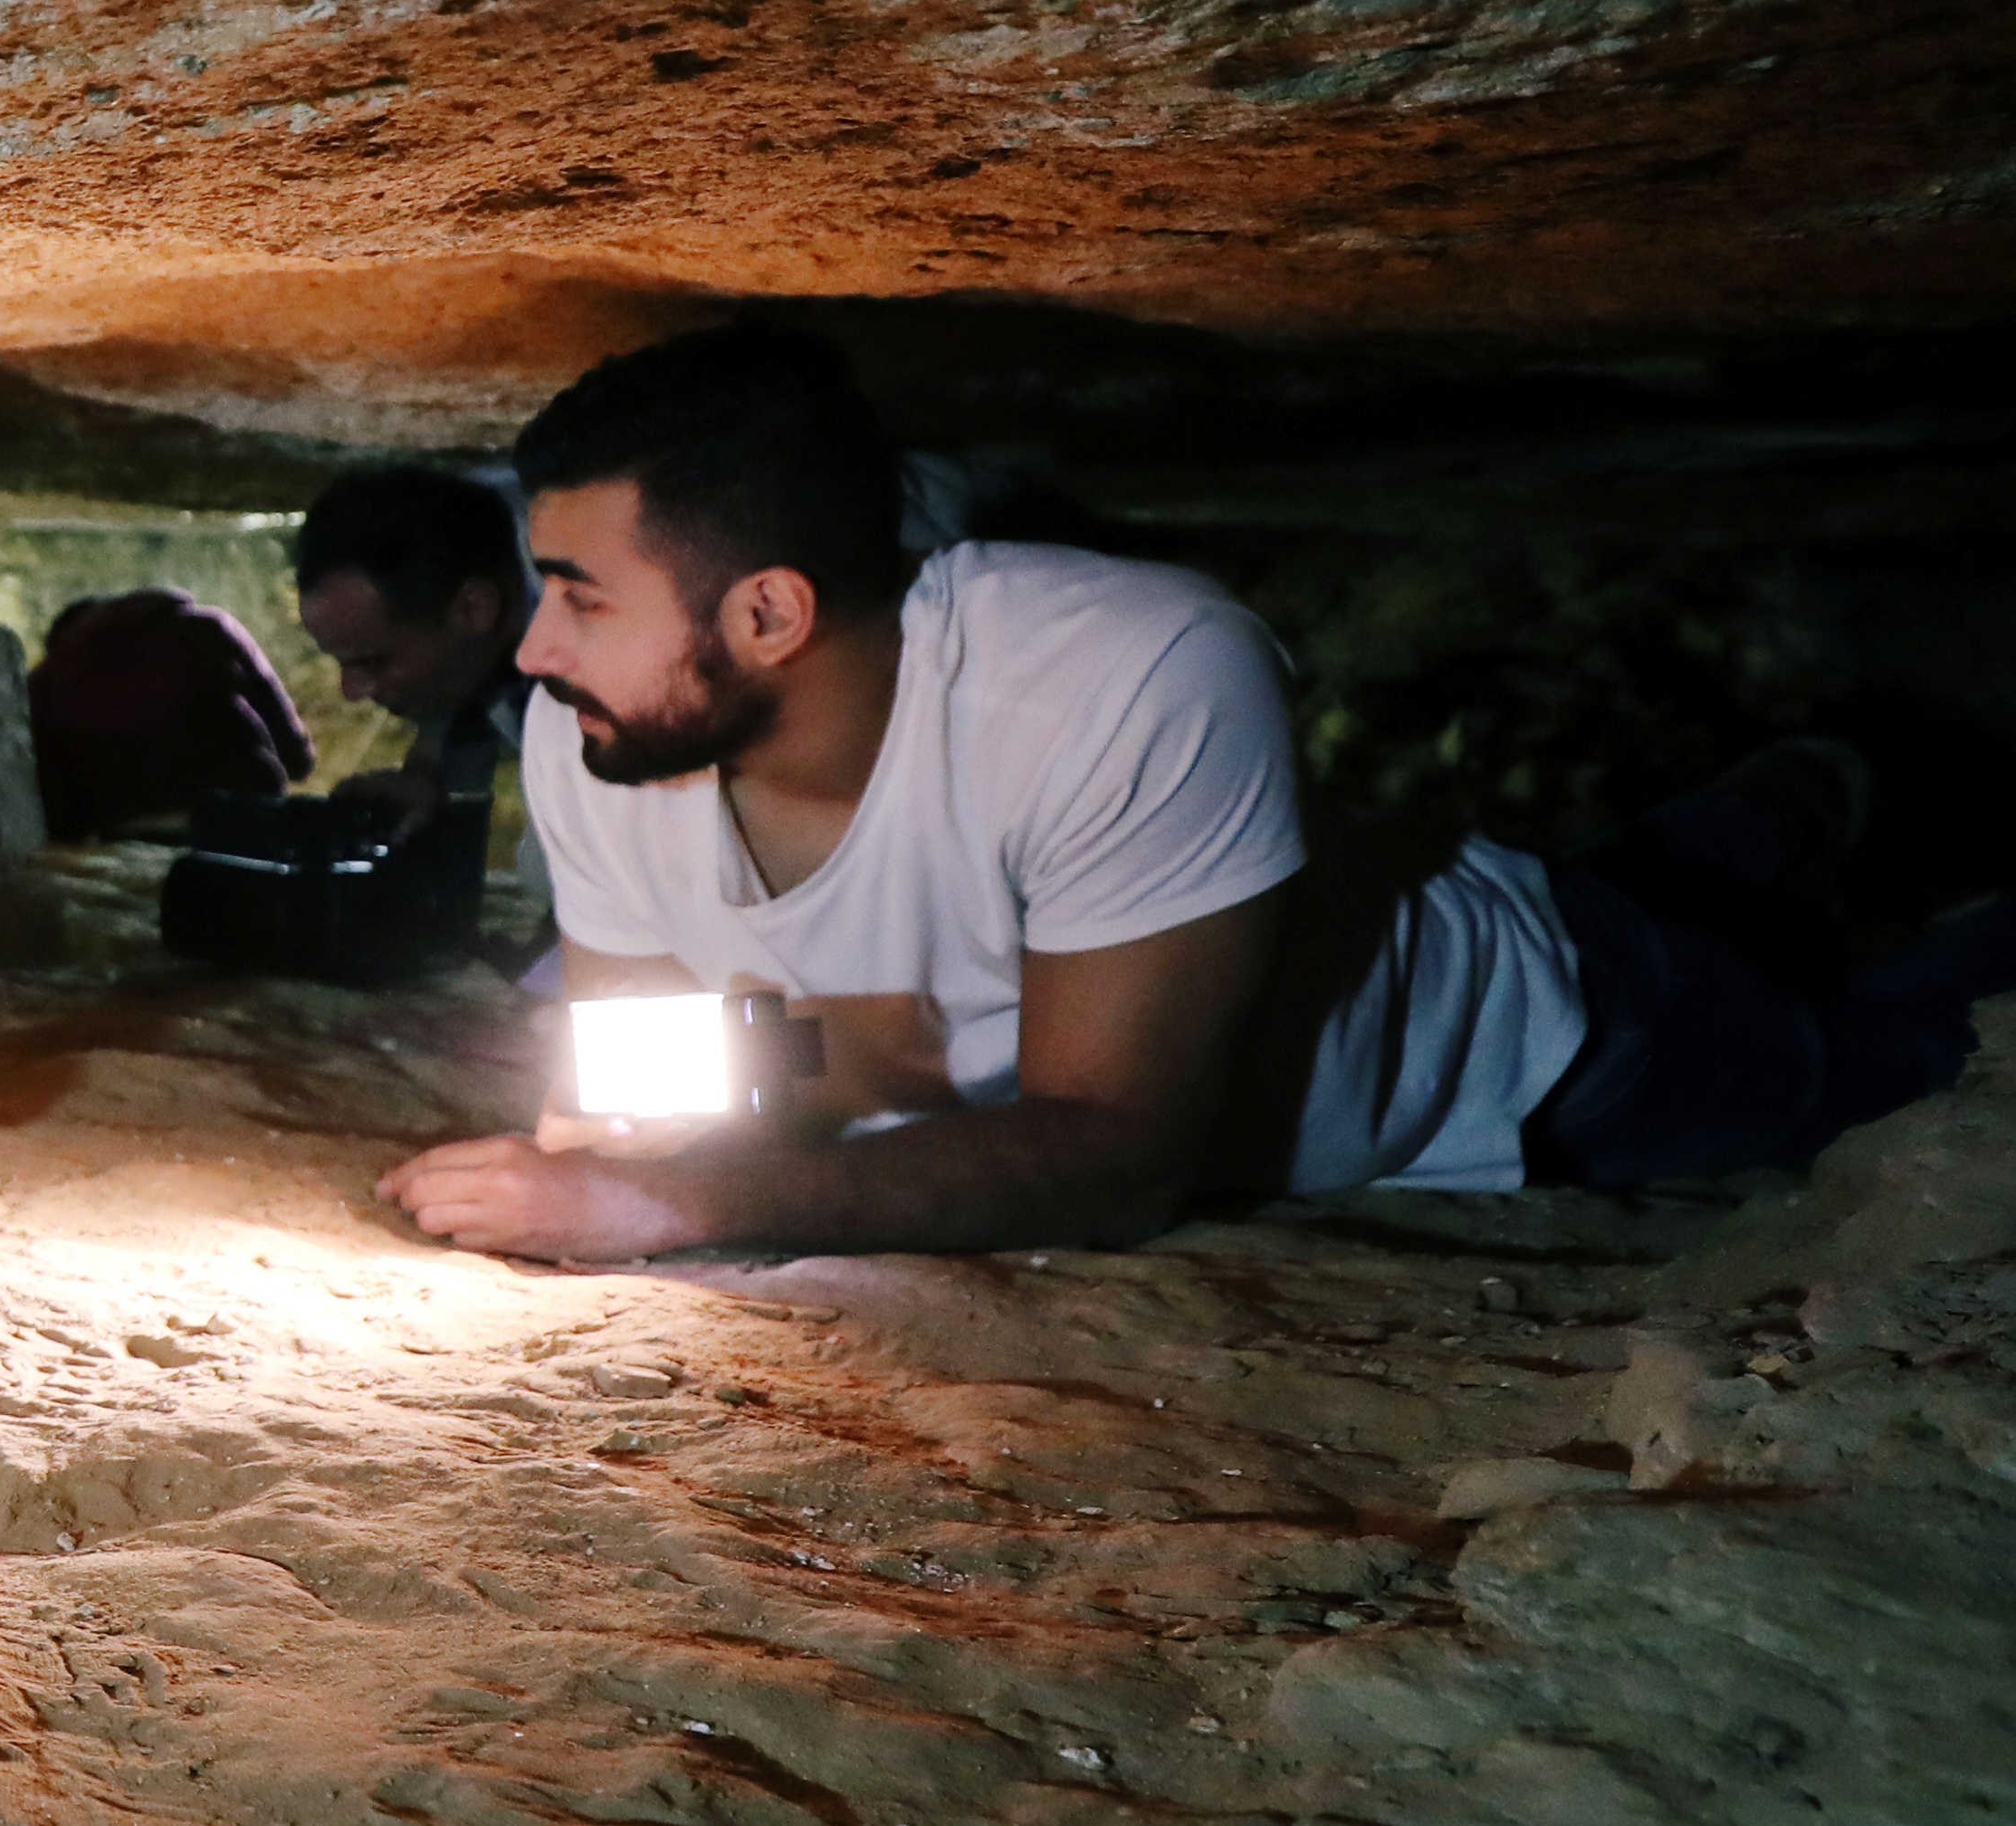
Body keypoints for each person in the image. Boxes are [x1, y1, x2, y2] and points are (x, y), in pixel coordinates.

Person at [377, 324, 2015, 1263]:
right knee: (1674, 877)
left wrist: (658, 1194)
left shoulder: (1128, 667)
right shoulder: (595, 735)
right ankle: (1772, 810)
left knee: (1882, 1053)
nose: (526, 646)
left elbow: (1113, 1151)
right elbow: (669, 1075)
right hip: (1317, 919)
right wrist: (629, 1150)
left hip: (1529, 1046)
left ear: (766, 613)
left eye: (577, 590)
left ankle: (1830, 835)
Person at [290, 465, 529, 820]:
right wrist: (427, 772)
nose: (351, 692)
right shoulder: (455, 532)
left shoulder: (610, 591)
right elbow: (474, 666)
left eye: (374, 662)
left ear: (476, 608)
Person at [26, 589, 311, 837]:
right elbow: (294, 753)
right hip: (242, 810)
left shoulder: (47, 679)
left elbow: (53, 800)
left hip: (125, 830)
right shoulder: (209, 626)